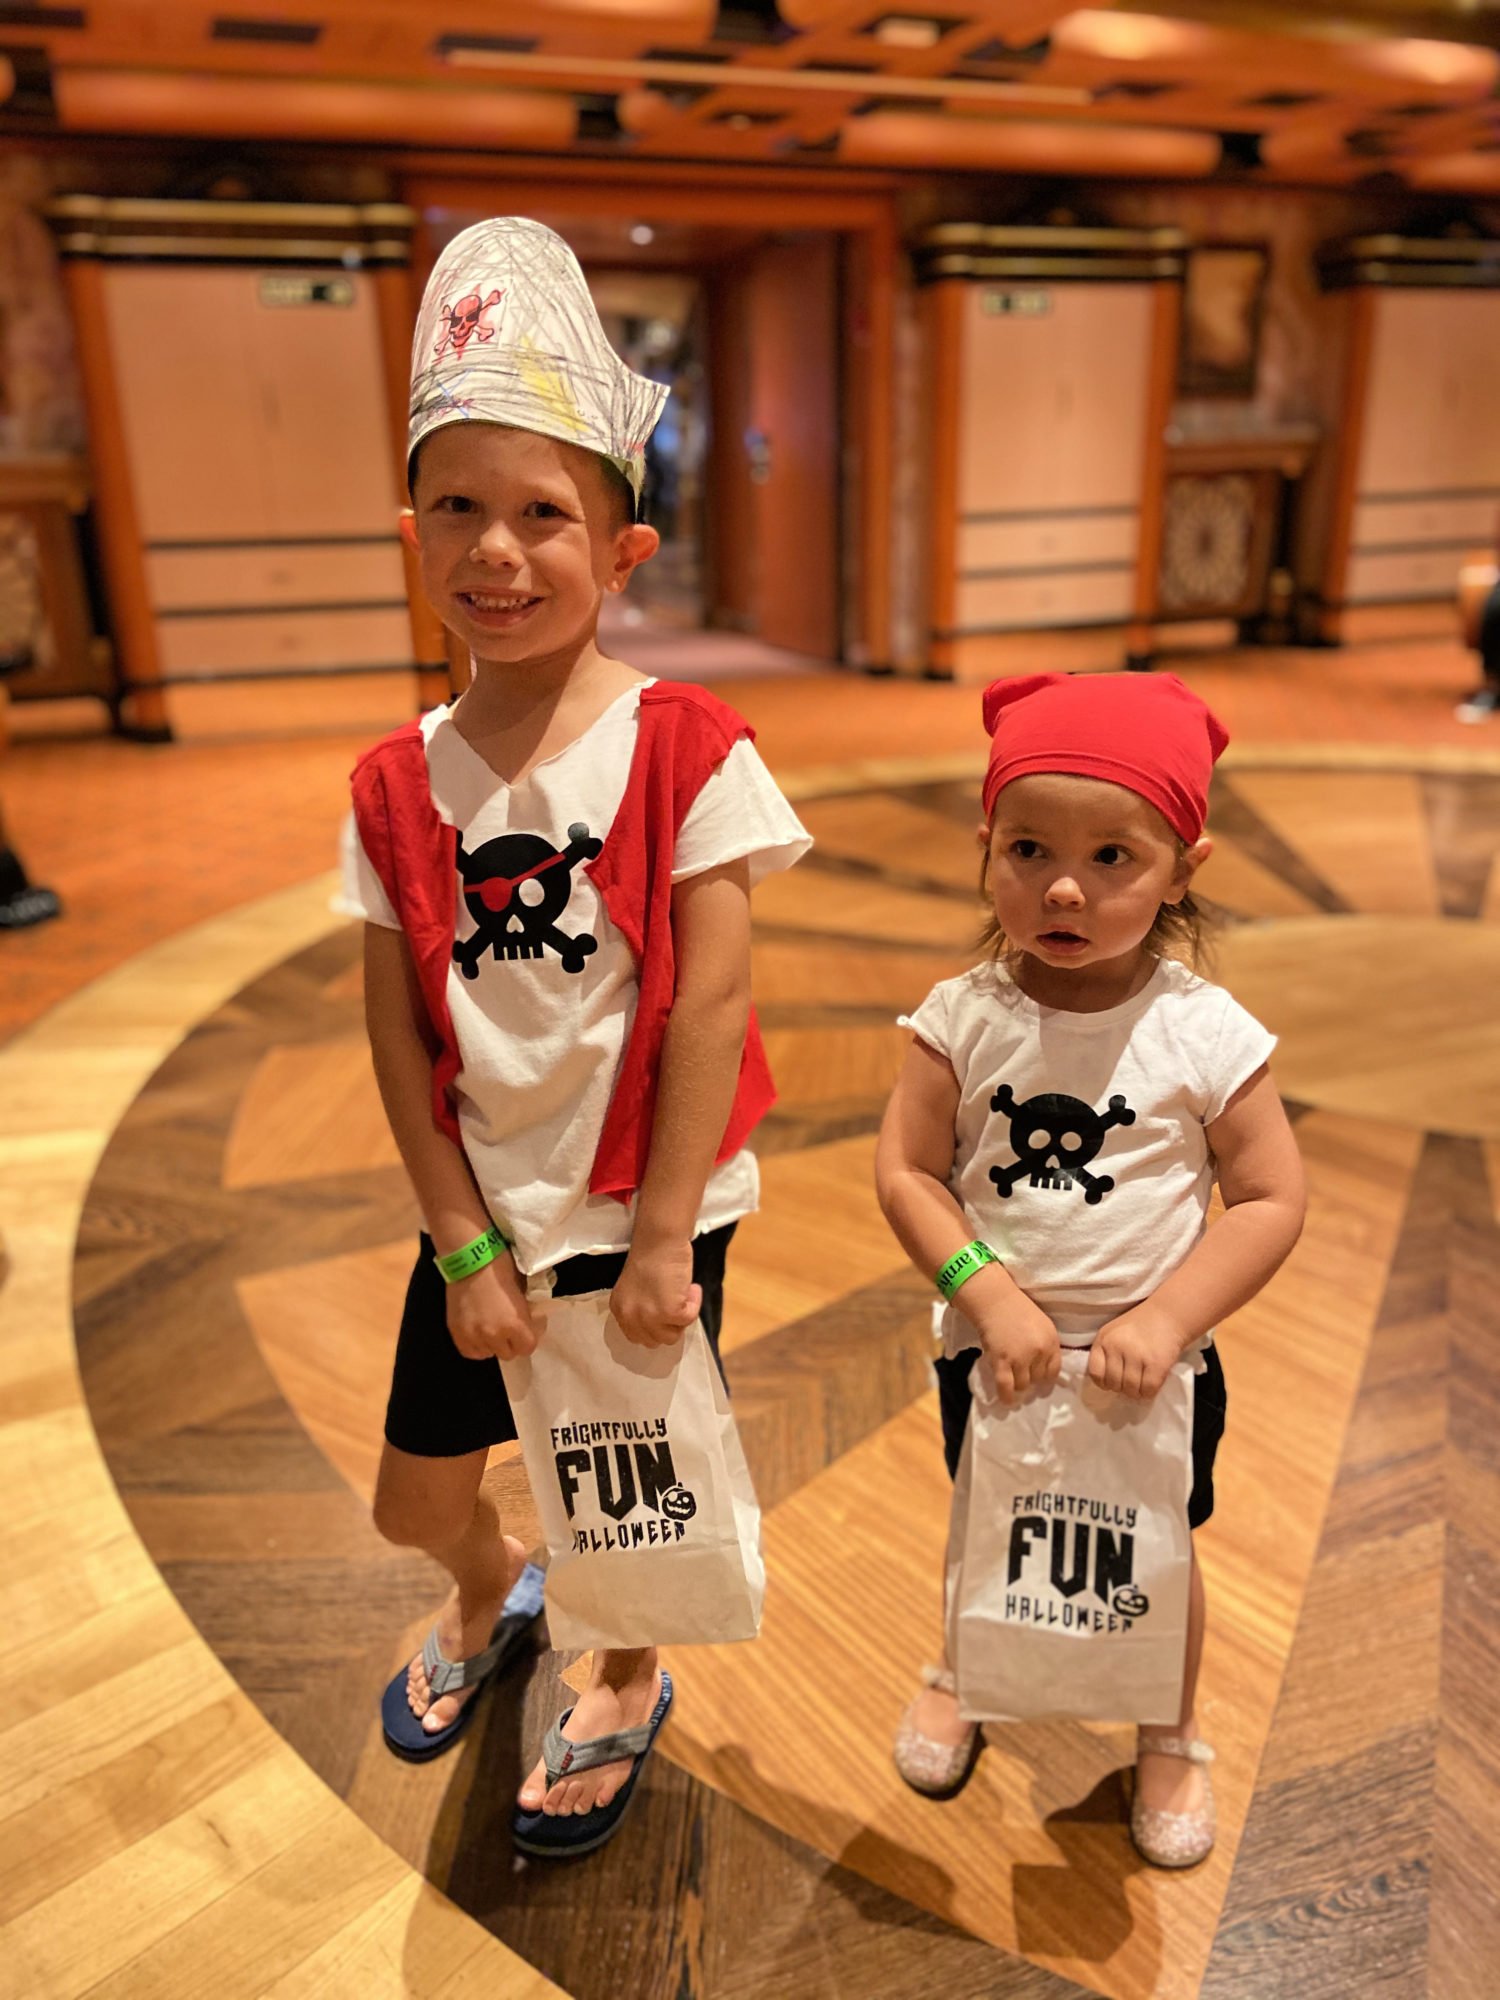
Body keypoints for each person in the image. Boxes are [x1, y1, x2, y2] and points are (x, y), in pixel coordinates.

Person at [343, 217, 810, 1857]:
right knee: (416, 1491)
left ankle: (622, 1673)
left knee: (637, 1484)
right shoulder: (395, 781)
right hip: (486, 1210)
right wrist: (457, 1237)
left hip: (640, 1210)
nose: (499, 548)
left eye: (546, 513)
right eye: (459, 507)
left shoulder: (689, 749)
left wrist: (672, 1230)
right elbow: (401, 1033)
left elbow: (710, 1002)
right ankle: (492, 1590)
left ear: (625, 554)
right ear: (415, 535)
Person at [874, 671, 1305, 1869]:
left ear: (1184, 864)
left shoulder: (1205, 1032)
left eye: (1114, 855)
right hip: (991, 1352)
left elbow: (1271, 1197)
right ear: (984, 847)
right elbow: (907, 1171)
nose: (1064, 886)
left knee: (1155, 1543)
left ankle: (1170, 1726)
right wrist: (988, 1289)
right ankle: (965, 1669)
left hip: (1153, 1369)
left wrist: (1168, 1317)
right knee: (987, 1516)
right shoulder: (957, 1018)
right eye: (1029, 848)